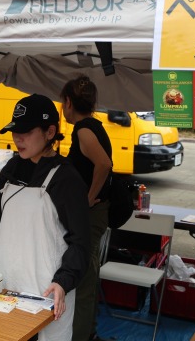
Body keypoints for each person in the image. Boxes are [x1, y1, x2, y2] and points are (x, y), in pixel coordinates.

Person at [0, 93, 90, 341]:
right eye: (15, 131)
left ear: (50, 132)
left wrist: (63, 281)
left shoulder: (66, 179)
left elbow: (81, 241)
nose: (18, 138)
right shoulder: (12, 168)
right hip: (6, 282)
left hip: (47, 290)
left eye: (26, 131)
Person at [60, 75, 113, 341]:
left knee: (83, 276)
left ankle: (81, 335)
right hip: (96, 213)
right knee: (88, 271)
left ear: (68, 102)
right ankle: (88, 331)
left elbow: (104, 164)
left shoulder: (83, 129)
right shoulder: (94, 126)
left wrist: (88, 198)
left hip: (92, 213)